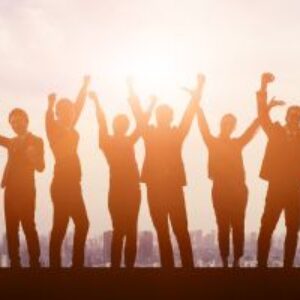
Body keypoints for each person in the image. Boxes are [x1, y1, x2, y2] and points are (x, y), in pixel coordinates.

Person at [196, 85, 278, 267]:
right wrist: (197, 103)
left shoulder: (236, 143)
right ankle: (226, 260)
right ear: (221, 125)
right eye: (225, 123)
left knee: (238, 225)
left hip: (238, 190)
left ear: (233, 127)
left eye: (230, 124)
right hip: (220, 189)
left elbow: (253, 127)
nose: (228, 126)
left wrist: (267, 109)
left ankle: (236, 260)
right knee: (223, 225)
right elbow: (202, 126)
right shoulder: (213, 142)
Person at [128, 74, 205, 268]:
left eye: (165, 116)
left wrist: (198, 92)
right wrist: (197, 92)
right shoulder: (168, 134)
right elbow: (186, 117)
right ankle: (180, 270)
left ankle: (178, 270)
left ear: (168, 118)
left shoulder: (162, 134)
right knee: (172, 231)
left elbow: (187, 116)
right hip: (161, 188)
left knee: (175, 231)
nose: (163, 118)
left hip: (164, 188)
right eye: (162, 116)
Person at [89, 88, 156, 268]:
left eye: (125, 124)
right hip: (119, 192)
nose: (123, 127)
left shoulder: (128, 140)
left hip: (132, 191)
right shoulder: (108, 142)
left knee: (130, 232)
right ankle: (118, 270)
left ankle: (127, 269)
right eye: (121, 124)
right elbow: (102, 122)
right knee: (121, 231)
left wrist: (151, 104)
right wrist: (96, 102)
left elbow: (141, 124)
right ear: (116, 126)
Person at [256, 72, 300, 268]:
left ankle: (288, 267)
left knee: (293, 229)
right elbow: (262, 117)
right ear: (287, 116)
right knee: (267, 227)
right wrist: (263, 87)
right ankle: (261, 265)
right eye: (293, 115)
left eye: (299, 116)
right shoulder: (276, 132)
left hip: (295, 189)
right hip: (276, 187)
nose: (296, 118)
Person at [46, 76, 90, 268]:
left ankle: (76, 266)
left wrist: (84, 86)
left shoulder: (71, 126)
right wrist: (50, 105)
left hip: (73, 185)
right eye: (68, 111)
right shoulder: (55, 129)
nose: (72, 114)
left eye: (72, 111)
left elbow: (78, 105)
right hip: (62, 185)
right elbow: (48, 120)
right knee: (60, 228)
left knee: (82, 224)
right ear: (59, 113)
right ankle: (56, 269)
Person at [0, 108, 44, 268]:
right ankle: (15, 264)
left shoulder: (37, 141)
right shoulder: (11, 142)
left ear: (26, 120)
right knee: (11, 229)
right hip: (10, 190)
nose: (16, 124)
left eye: (18, 120)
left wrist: (33, 157)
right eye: (12, 122)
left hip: (26, 191)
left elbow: (41, 167)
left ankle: (35, 263)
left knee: (28, 227)